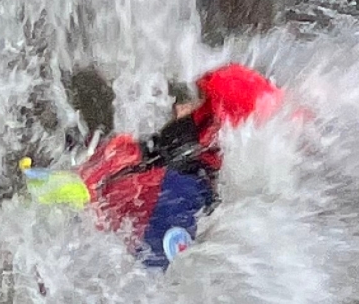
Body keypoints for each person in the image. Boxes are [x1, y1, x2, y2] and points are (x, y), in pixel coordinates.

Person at [71, 64, 284, 267]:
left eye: (199, 103)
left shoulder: (178, 199)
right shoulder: (155, 157)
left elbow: (141, 282)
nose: (180, 108)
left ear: (212, 131)